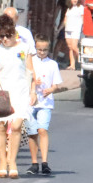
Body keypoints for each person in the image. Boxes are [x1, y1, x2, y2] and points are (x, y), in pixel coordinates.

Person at [0, 14, 36, 179]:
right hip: (3, 91)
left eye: (7, 36)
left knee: (17, 125)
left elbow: (30, 71)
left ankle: (12, 161)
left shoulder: (23, 48)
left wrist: (33, 91)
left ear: (14, 34)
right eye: (1, 36)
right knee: (1, 126)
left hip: (21, 91)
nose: (4, 39)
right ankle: (3, 162)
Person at [27, 39, 61, 176]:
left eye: (44, 50)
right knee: (32, 132)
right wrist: (34, 83)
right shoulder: (30, 62)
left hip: (45, 103)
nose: (41, 52)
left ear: (49, 50)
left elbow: (56, 84)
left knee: (42, 130)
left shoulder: (52, 64)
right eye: (39, 49)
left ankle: (45, 162)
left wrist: (50, 90)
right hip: (30, 102)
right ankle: (34, 163)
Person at [62, 0, 84, 70]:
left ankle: (83, 62)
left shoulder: (80, 7)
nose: (75, 0)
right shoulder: (69, 8)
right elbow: (65, 19)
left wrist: (83, 27)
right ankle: (72, 65)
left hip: (76, 29)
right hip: (68, 29)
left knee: (74, 47)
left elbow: (83, 18)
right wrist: (61, 28)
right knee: (70, 47)